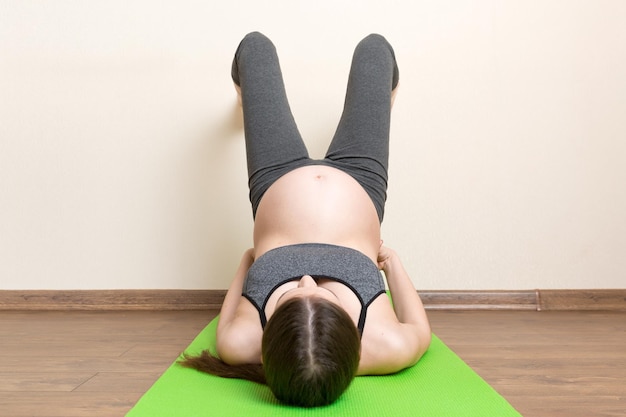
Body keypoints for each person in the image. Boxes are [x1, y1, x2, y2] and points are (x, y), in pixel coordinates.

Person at [180, 31, 431, 407]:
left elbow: (234, 302)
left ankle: (244, 101)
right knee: (375, 50)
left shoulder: (239, 343)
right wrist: (393, 265)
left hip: (275, 179)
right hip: (360, 180)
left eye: (291, 296)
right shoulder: (386, 345)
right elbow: (420, 329)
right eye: (325, 294)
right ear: (351, 339)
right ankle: (379, 106)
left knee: (255, 47)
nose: (308, 280)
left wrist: (246, 264)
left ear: (271, 342)